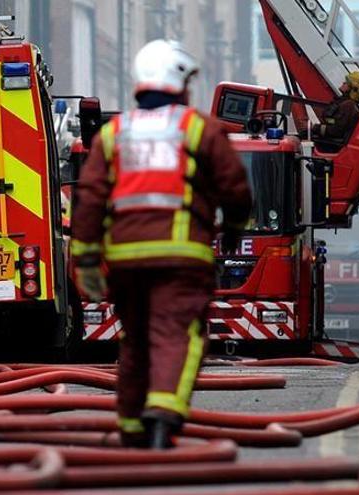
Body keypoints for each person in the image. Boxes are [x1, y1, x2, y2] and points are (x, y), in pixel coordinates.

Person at [69, 40, 252, 449]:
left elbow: (90, 200)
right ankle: (161, 417)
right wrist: (235, 227)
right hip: (180, 257)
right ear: (178, 82)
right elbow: (235, 187)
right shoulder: (196, 128)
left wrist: (85, 261)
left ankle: (132, 426)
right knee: (176, 334)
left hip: (124, 262)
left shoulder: (115, 133)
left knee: (134, 338)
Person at [311, 71, 359, 141]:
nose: (343, 83)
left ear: (354, 89)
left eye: (346, 83)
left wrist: (314, 127)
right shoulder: (346, 104)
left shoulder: (349, 106)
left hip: (330, 146)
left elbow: (336, 131)